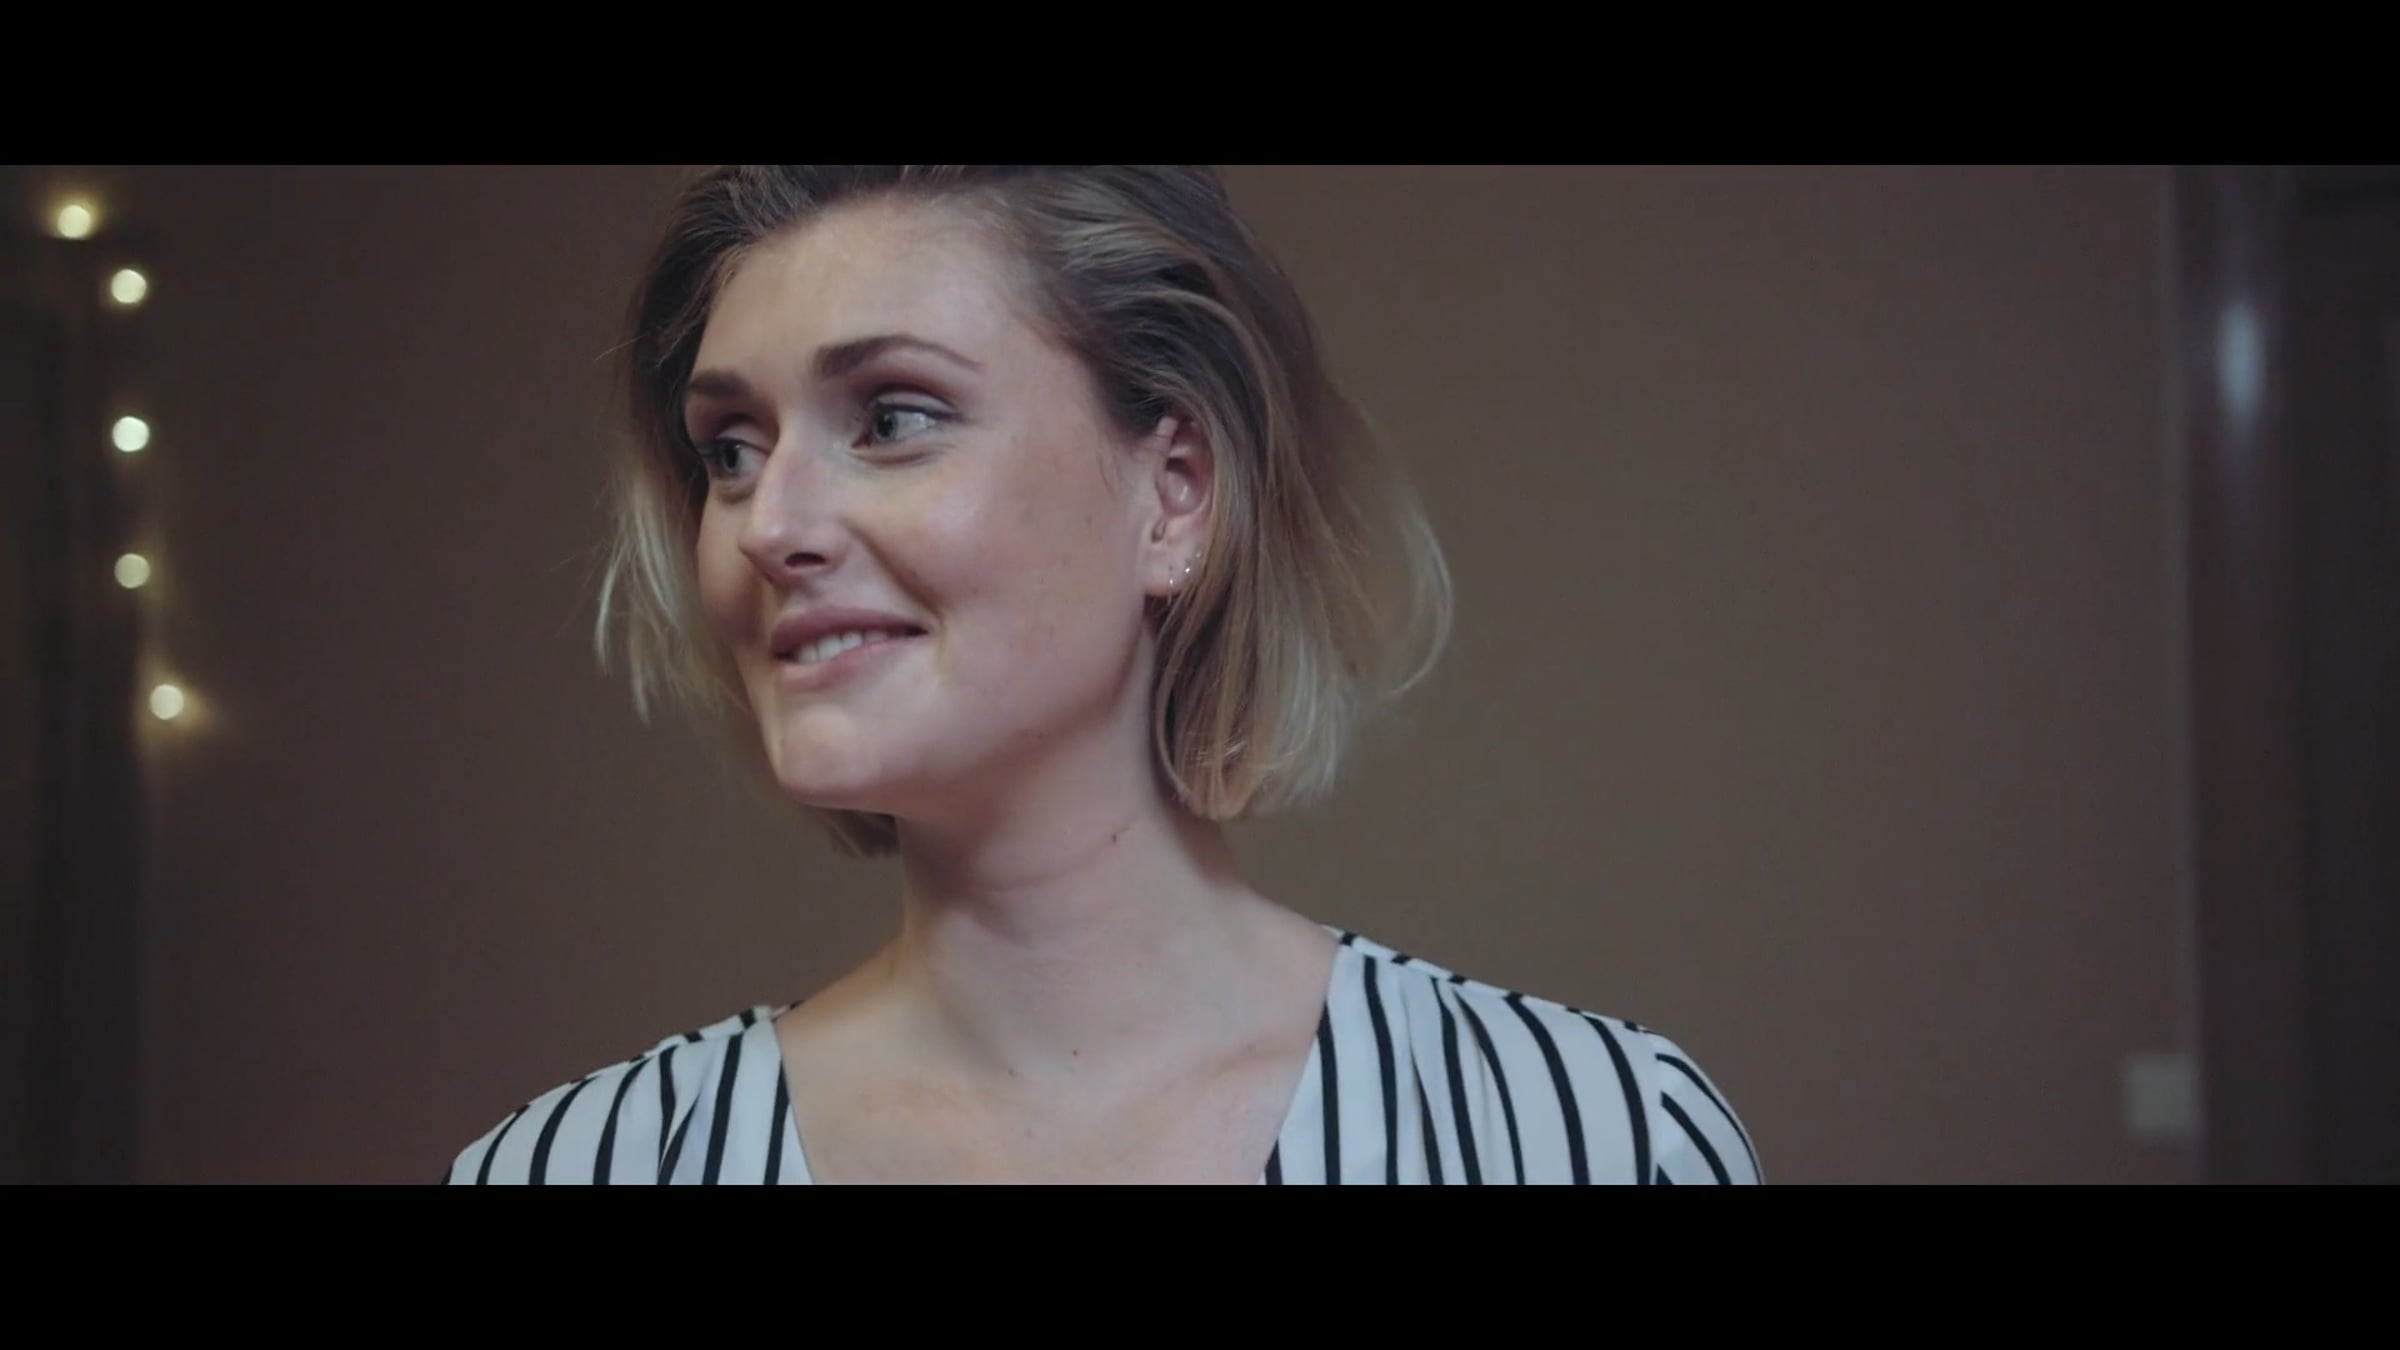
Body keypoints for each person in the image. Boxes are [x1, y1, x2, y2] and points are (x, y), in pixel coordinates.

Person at [447, 165, 1759, 1184]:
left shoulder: (1596, 1135)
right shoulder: (575, 1166)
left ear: (1174, 492)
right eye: (731, 449)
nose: (767, 524)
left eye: (893, 417)